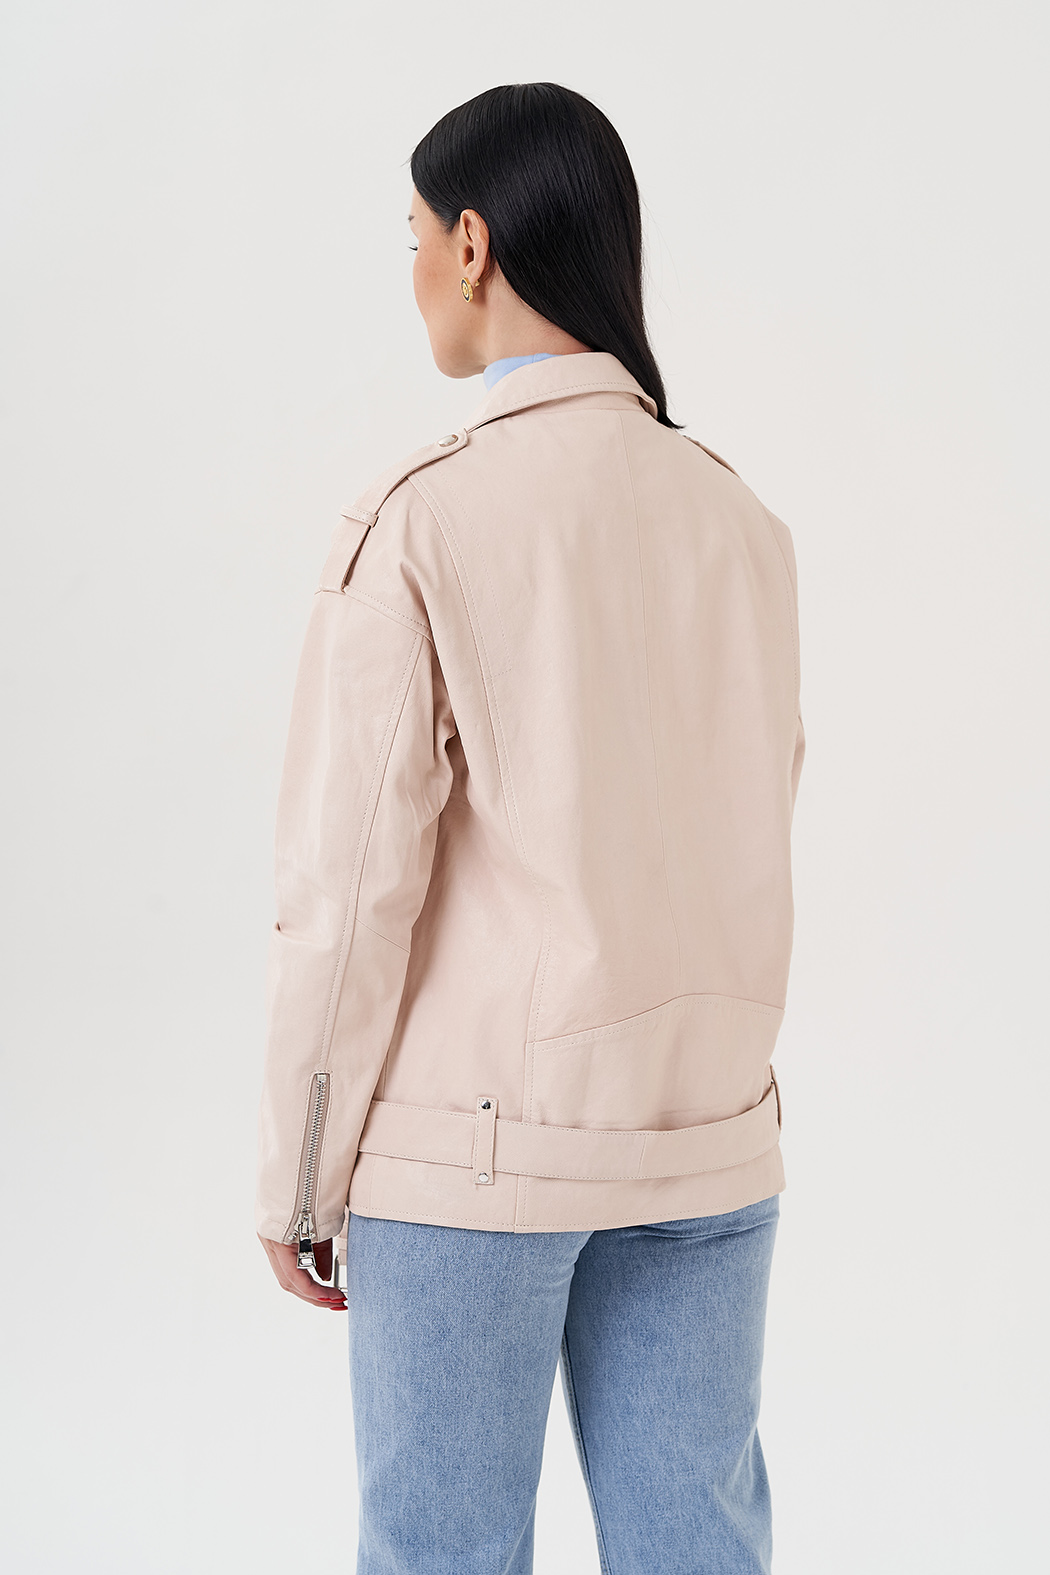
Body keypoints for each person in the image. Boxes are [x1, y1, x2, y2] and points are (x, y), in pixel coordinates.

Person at [255, 81, 805, 1575]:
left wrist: (298, 1172)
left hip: (474, 1157)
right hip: (706, 1143)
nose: (415, 272)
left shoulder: (425, 517)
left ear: (474, 245)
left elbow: (346, 889)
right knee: (698, 1551)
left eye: (414, 238)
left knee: (442, 1555)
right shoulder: (741, 522)